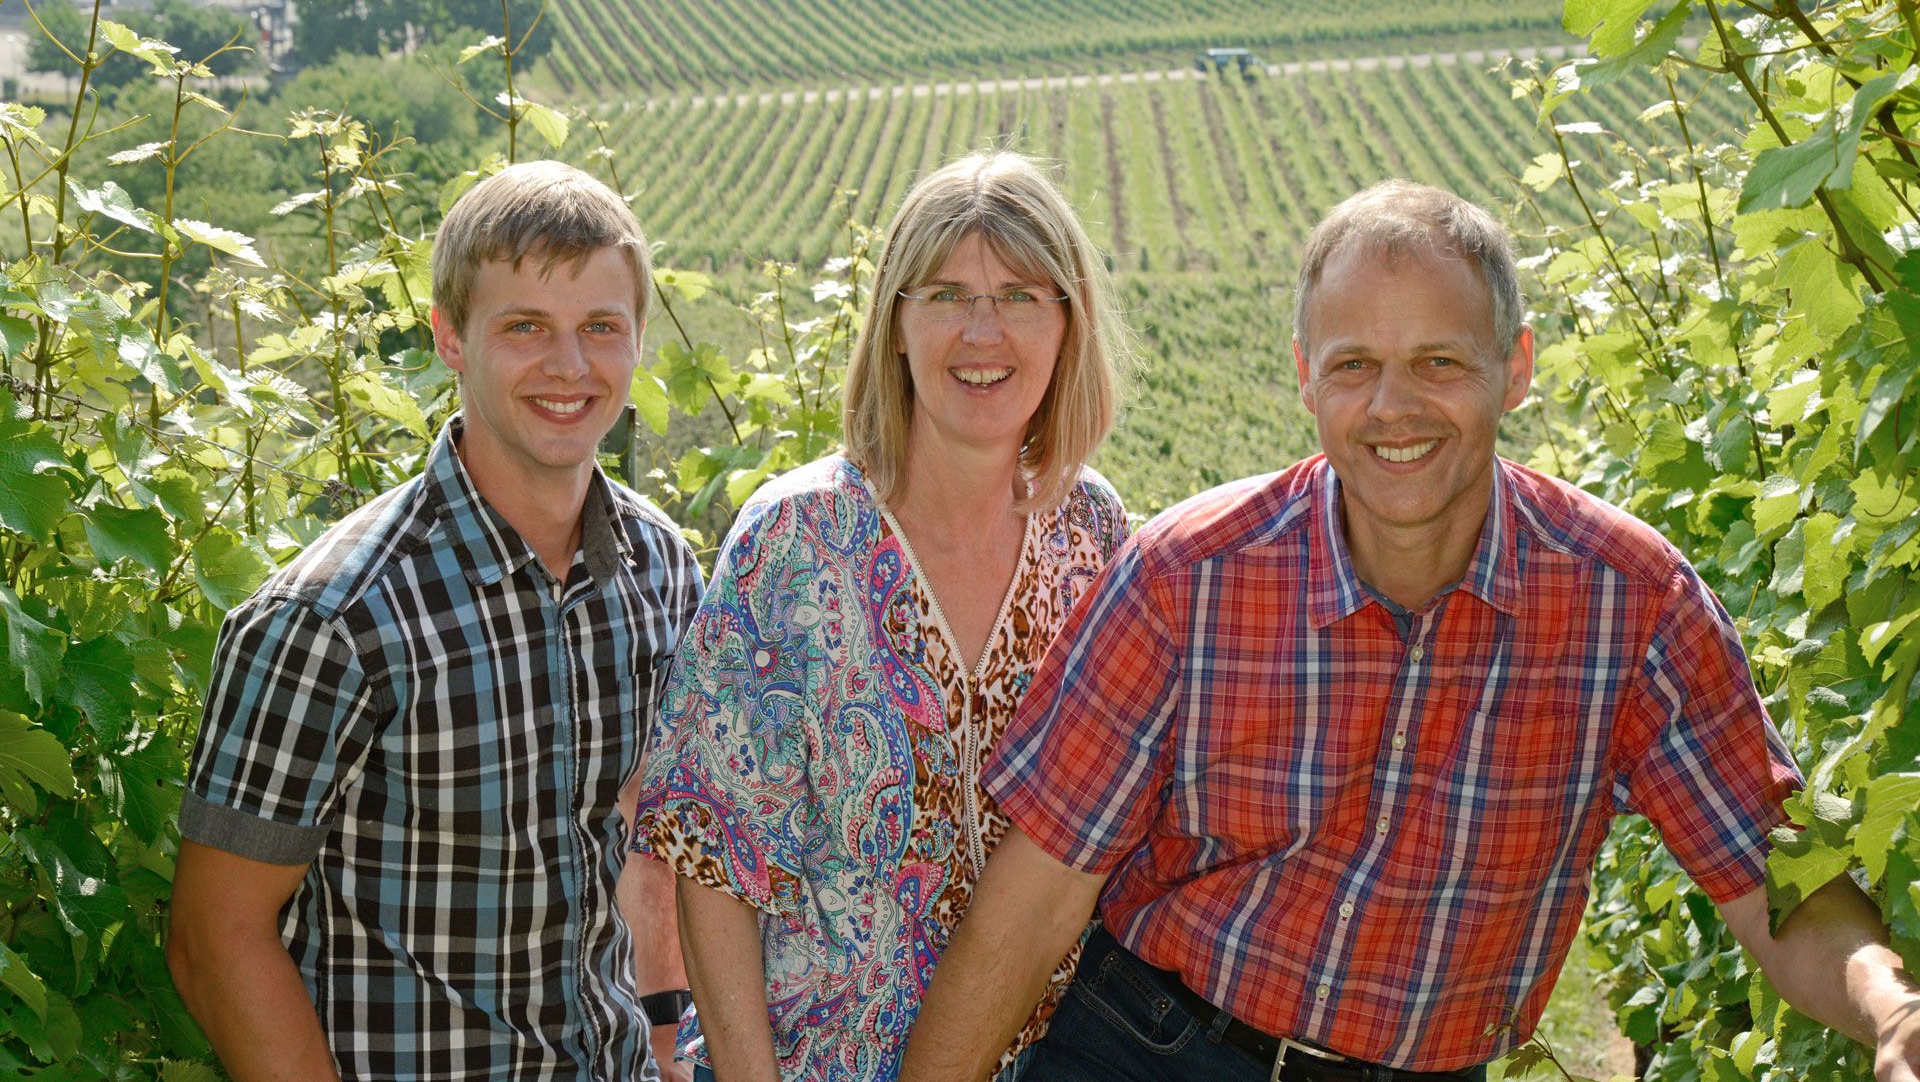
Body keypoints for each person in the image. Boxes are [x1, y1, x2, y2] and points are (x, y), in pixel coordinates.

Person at [899, 180, 1920, 1082]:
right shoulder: (1187, 575)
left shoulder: (1631, 603)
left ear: (1514, 367)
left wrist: (1891, 1006)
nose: (1393, 408)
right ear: (1304, 375)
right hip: (1152, 1044)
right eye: (1353, 366)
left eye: (1438, 361)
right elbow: (1030, 905)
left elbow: (1772, 883)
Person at [168, 161, 703, 1082]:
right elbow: (215, 939)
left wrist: (664, 1037)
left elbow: (653, 840)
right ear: (450, 337)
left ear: (638, 340)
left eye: (600, 329)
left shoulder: (661, 572)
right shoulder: (329, 619)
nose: (569, 366)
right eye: (525, 327)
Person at [632, 151, 1132, 1082]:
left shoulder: (1091, 528)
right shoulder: (795, 537)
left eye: (1021, 295)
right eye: (945, 294)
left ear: (1069, 325)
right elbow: (711, 852)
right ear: (895, 326)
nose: (982, 331)